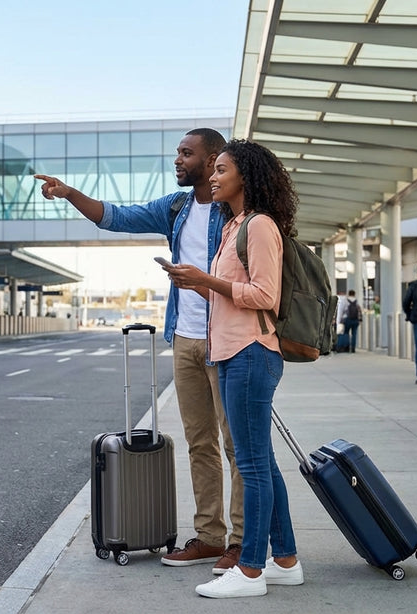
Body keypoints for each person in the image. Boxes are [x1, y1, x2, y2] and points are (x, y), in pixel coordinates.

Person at [35, 127, 245, 575]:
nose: (178, 160)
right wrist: (71, 193)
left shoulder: (236, 212)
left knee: (237, 446)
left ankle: (242, 543)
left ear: (212, 161)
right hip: (185, 339)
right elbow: (115, 216)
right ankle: (210, 537)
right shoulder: (176, 207)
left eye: (186, 154)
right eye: (178, 153)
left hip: (227, 338)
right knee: (199, 444)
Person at [165, 139, 303, 598]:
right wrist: (196, 283)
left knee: (251, 464)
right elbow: (231, 295)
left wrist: (206, 278)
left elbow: (266, 296)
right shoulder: (234, 224)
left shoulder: (260, 225)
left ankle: (250, 571)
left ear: (246, 176)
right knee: (261, 461)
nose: (214, 176)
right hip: (228, 351)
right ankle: (284, 559)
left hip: (250, 353)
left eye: (222, 169)